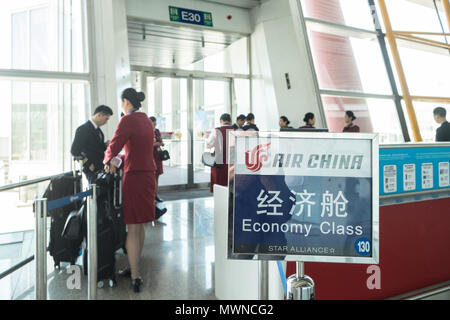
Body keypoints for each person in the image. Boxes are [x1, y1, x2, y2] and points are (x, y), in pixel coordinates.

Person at [103, 88, 155, 293]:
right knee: (140, 225)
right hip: (148, 175)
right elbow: (137, 150)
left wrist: (108, 160)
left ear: (125, 101)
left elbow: (114, 146)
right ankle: (135, 268)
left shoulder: (127, 120)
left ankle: (134, 276)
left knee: (132, 227)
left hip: (134, 177)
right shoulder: (146, 121)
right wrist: (120, 158)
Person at [71, 105, 113, 183]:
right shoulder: (83, 129)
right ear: (99, 115)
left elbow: (95, 147)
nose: (106, 122)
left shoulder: (98, 130)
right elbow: (74, 151)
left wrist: (105, 145)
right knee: (96, 191)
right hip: (91, 167)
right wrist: (87, 163)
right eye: (106, 119)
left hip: (100, 166)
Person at [207, 113, 235, 193]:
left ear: (221, 121)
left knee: (219, 187)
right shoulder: (235, 130)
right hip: (232, 164)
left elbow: (208, 145)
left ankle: (221, 202)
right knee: (232, 186)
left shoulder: (216, 131)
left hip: (219, 163)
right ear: (230, 121)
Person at [149, 116, 164, 203]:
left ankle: (155, 195)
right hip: (151, 156)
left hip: (158, 156)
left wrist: (158, 143)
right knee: (151, 177)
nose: (154, 126)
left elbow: (160, 141)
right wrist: (157, 143)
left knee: (157, 176)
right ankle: (151, 196)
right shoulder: (147, 131)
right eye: (153, 124)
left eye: (155, 124)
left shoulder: (157, 131)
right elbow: (148, 144)